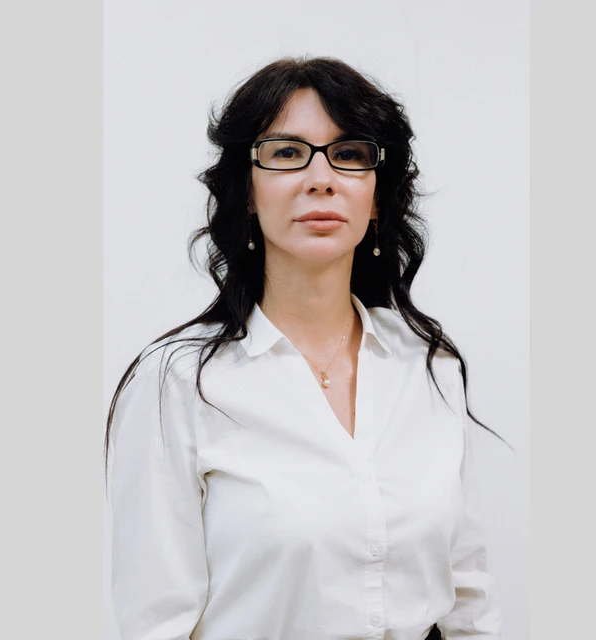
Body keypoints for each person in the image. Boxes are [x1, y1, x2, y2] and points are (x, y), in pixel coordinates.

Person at [106, 56, 505, 640]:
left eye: (350, 154)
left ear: (376, 196)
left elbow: (469, 603)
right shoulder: (177, 383)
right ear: (247, 191)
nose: (321, 177)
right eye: (288, 153)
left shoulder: (428, 365)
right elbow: (156, 624)